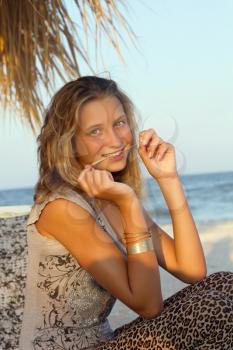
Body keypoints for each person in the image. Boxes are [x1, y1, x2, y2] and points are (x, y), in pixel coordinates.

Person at [19, 76, 233, 350]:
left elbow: (192, 270)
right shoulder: (62, 208)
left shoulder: (110, 194)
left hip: (104, 342)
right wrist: (130, 205)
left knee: (224, 283)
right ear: (70, 142)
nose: (115, 139)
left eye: (119, 123)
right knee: (213, 312)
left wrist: (168, 179)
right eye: (95, 131)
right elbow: (148, 306)